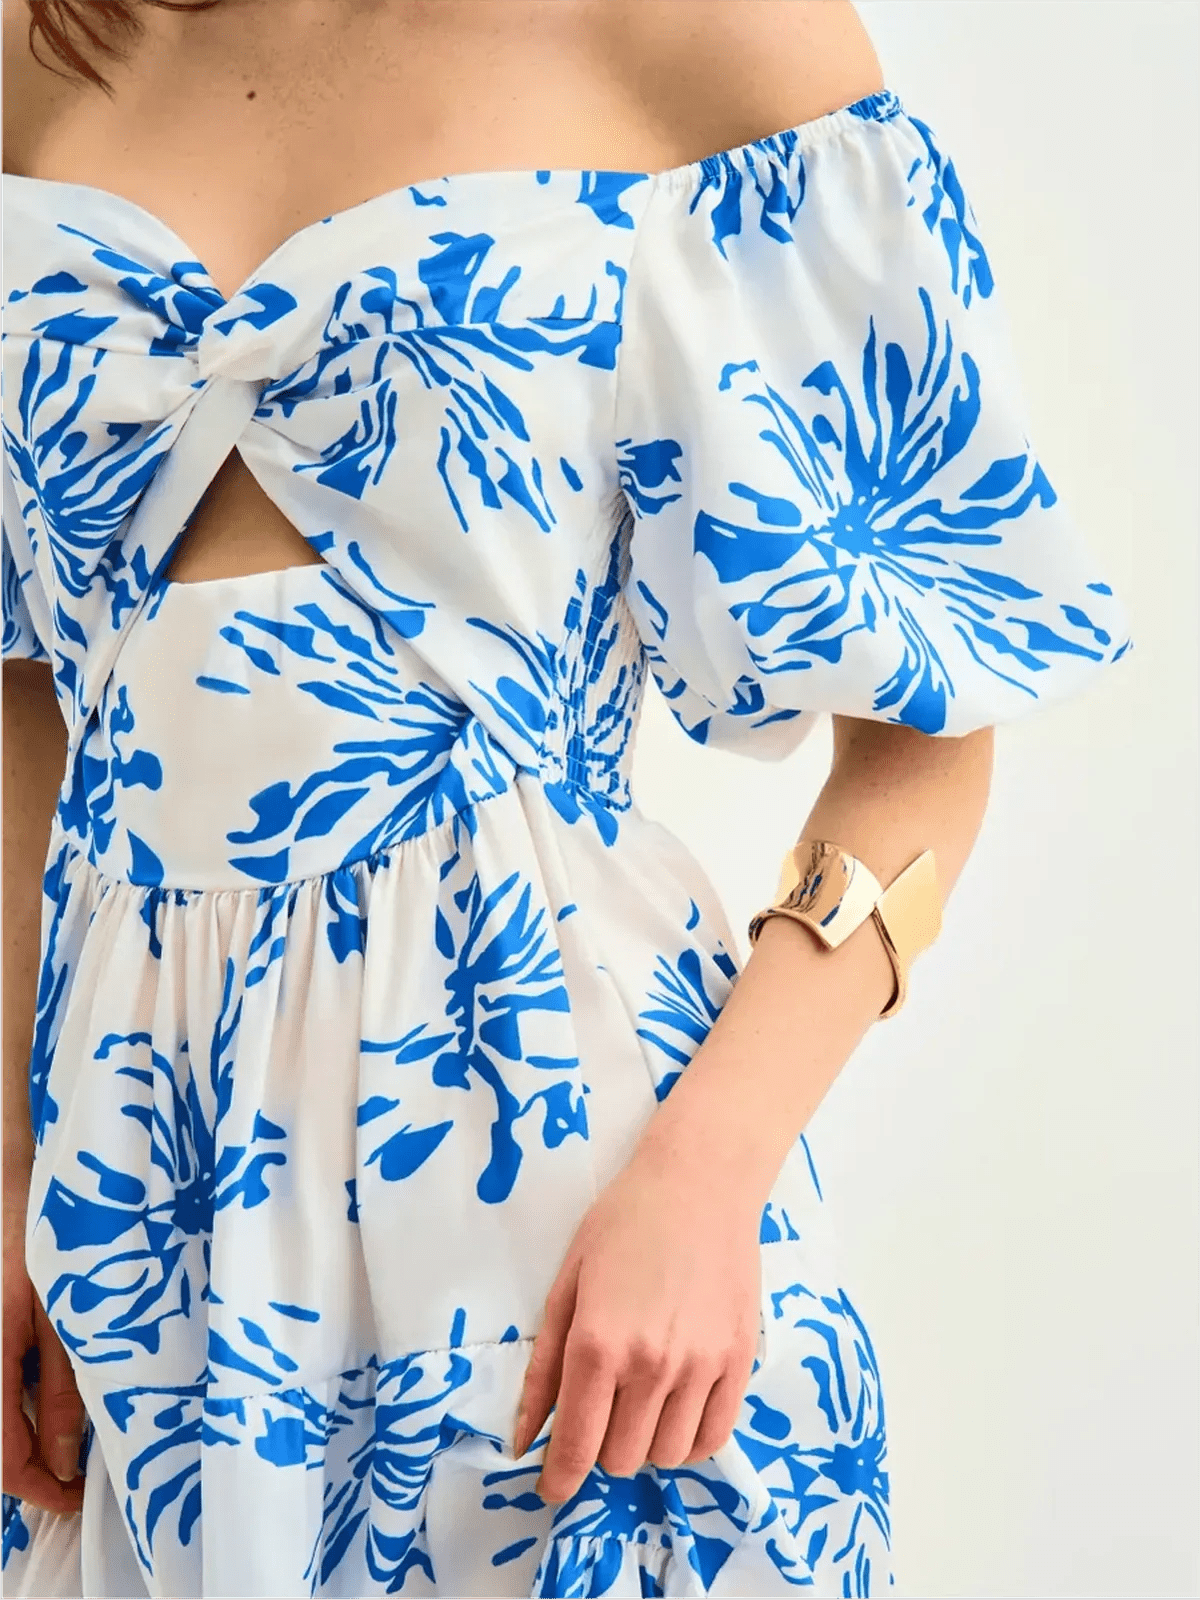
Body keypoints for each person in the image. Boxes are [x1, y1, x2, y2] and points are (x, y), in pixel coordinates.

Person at [0, 0, 1130, 1594]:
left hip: (563, 1199)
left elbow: (930, 738)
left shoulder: (701, 30)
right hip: (136, 1211)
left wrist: (705, 1178)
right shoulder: (43, 57)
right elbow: (28, 698)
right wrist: (5, 1166)